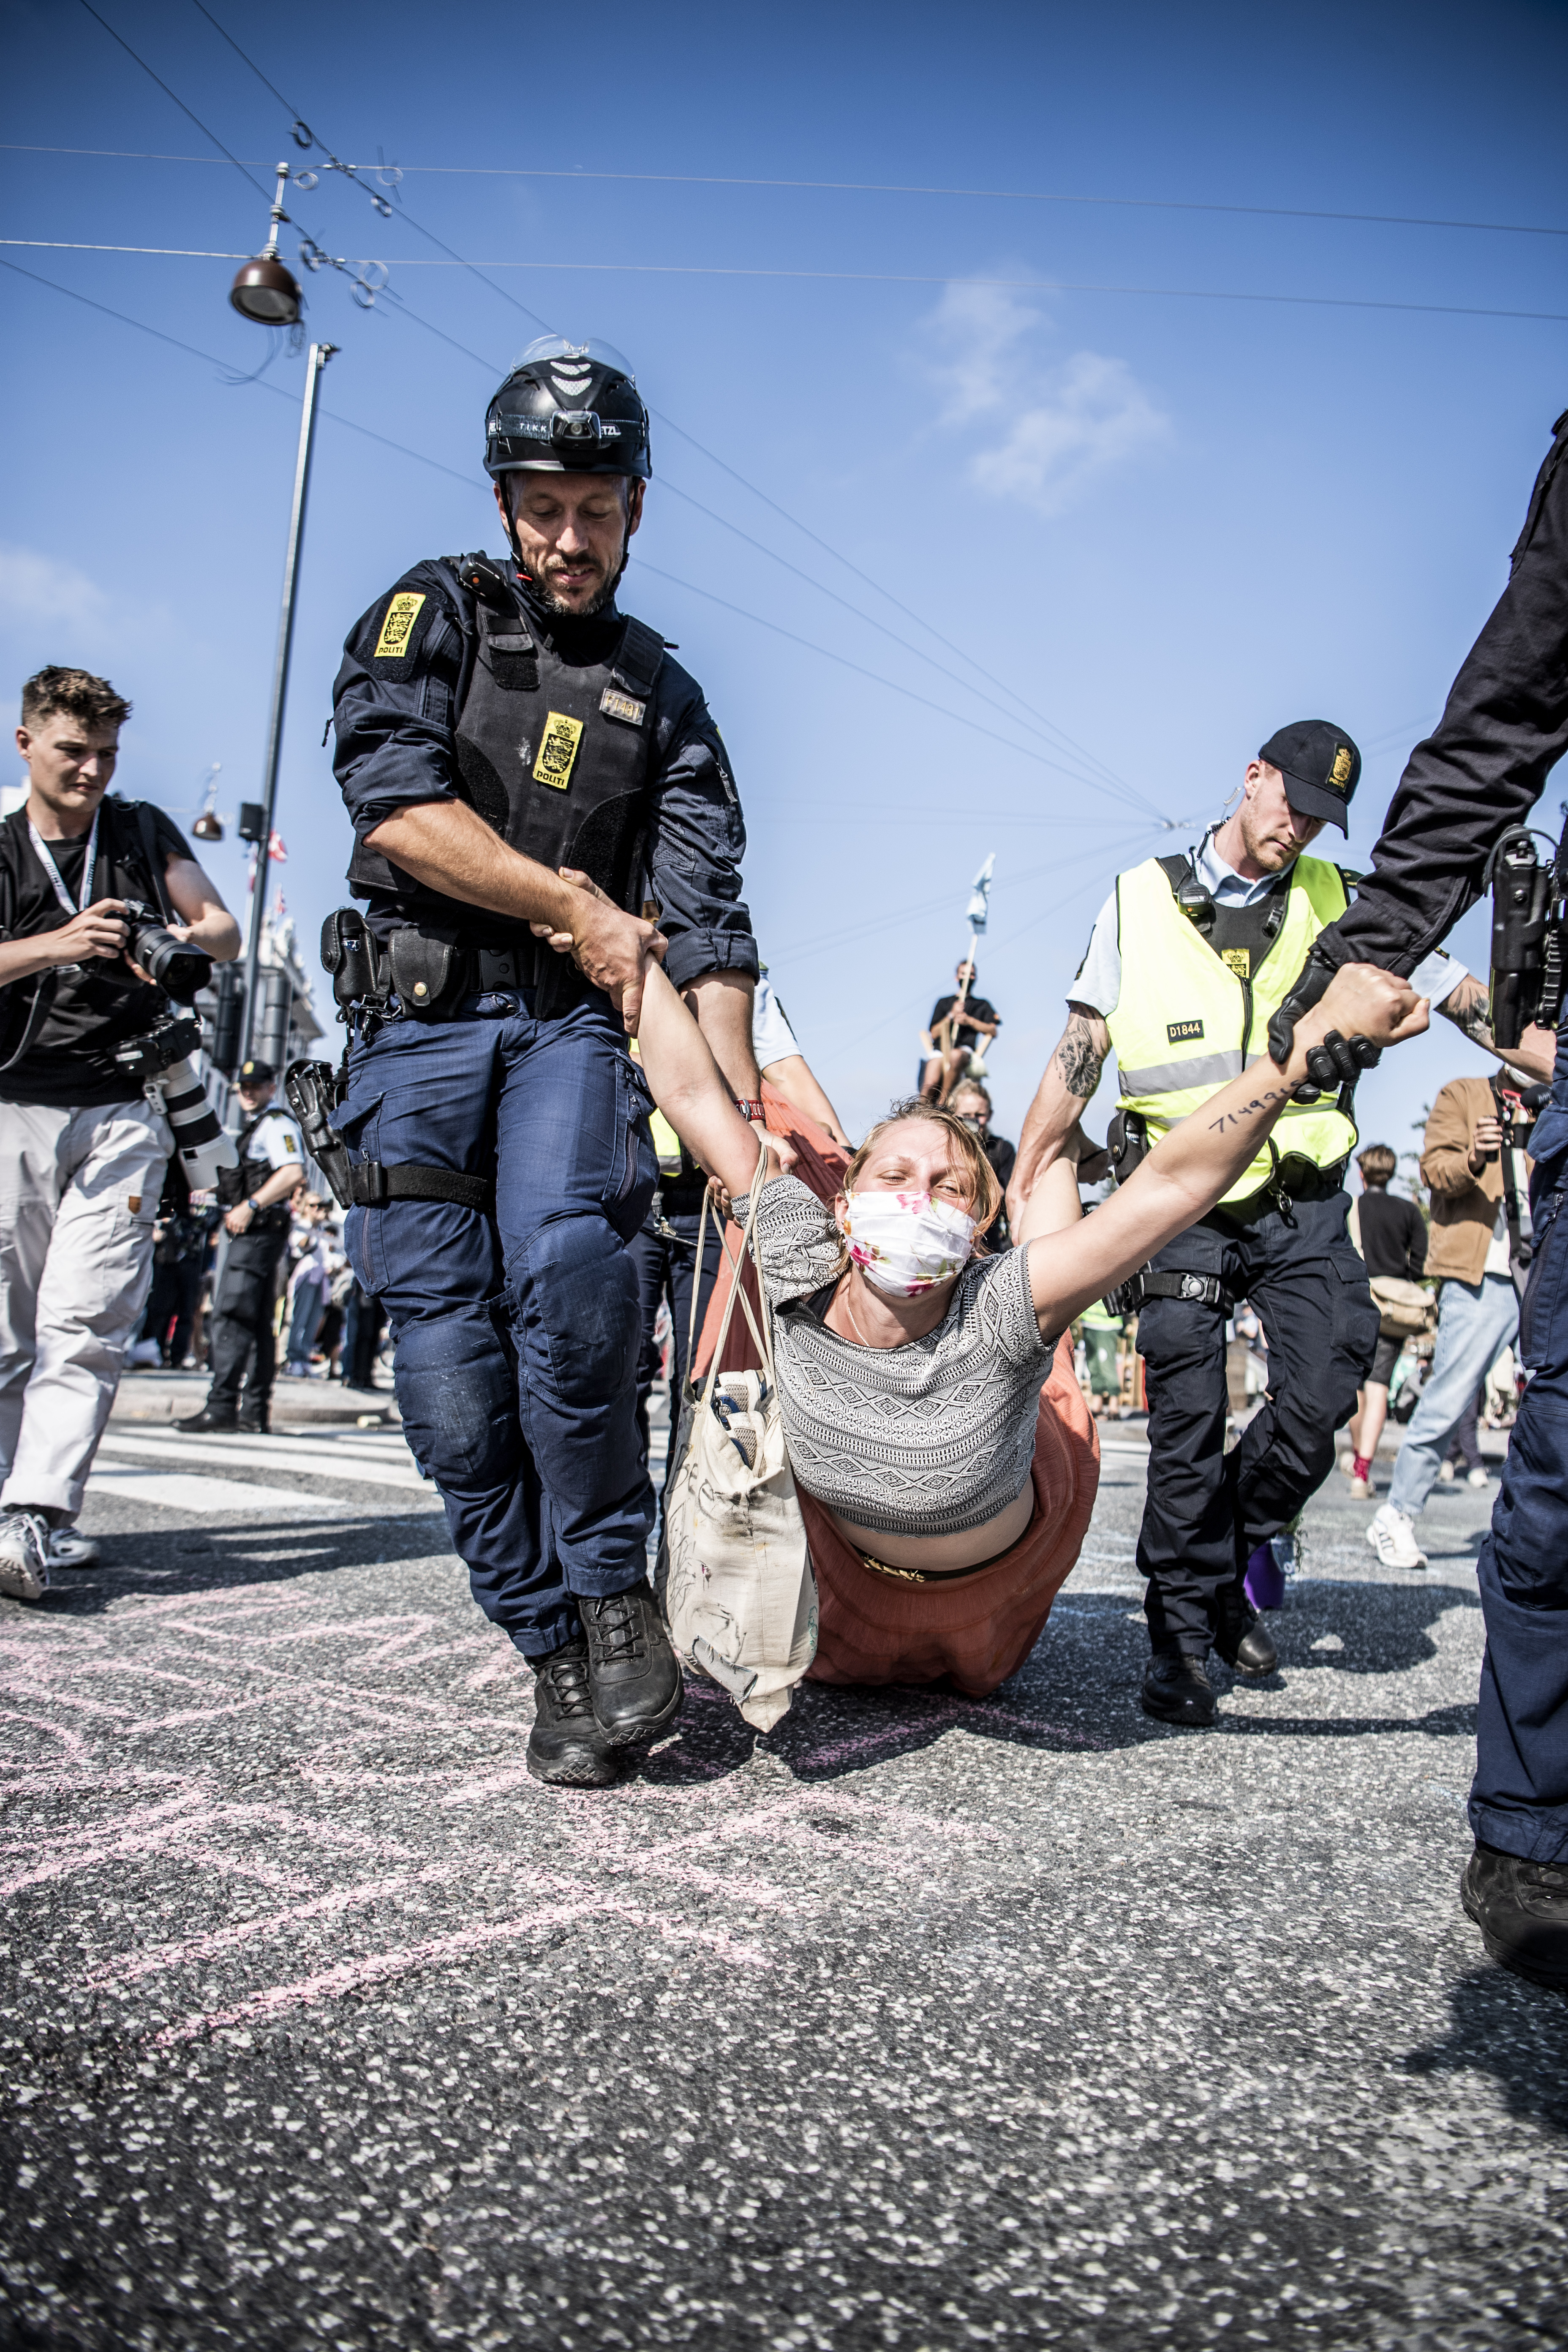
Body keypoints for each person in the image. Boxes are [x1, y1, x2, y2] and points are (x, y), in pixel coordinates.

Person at [327, 336, 761, 1790]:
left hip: (574, 1029)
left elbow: (705, 924)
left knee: (577, 1283)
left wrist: (742, 1126)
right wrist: (573, 898)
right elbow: (393, 807)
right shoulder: (427, 609)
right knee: (450, 1381)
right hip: (416, 1034)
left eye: (595, 507)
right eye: (541, 505)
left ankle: (612, 1590)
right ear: (505, 500)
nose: (566, 536)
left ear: (637, 508)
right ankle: (550, 1647)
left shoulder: (667, 696)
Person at [629, 951, 1423, 1696]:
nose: (915, 1198)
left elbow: (1175, 1183)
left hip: (993, 1603)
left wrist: (1295, 1057)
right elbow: (696, 1095)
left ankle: (1051, 1160)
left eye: (947, 1187)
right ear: (842, 1202)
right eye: (894, 1175)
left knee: (1056, 1278)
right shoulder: (801, 1254)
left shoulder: (1002, 1299)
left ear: (979, 1225)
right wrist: (622, 950)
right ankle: (1051, 1159)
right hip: (838, 1585)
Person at [1005, 721, 1483, 1726]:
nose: (1301, 825)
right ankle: (1179, 1631)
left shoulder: (1343, 901)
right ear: (1252, 777)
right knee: (1185, 1408)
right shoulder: (1141, 896)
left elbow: (1462, 995)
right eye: (1292, 800)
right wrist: (1039, 1157)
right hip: (1174, 1194)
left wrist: (1540, 1043)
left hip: (1299, 1196)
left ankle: (1220, 1557)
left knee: (1325, 1388)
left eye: (1322, 815)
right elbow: (1083, 1036)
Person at [1268, 408, 1568, 1985]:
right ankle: (1533, 1827)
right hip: (1410, 1252)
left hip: (1436, 1258)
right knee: (1543, 1438)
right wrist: (1379, 952)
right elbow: (1501, 714)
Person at [0, 667, 239, 1598]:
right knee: (8, 1325)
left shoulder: (140, 831)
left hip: (126, 1103)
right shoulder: (6, 846)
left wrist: (177, 936)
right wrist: (60, 944)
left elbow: (219, 924)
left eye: (105, 753)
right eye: (73, 751)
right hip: (14, 1099)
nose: (91, 770)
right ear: (26, 744)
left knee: (88, 1316)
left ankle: (38, 1512)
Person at [631, 956, 848, 1497]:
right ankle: (617, 1561)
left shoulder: (729, 973)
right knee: (619, 1376)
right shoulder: (604, 950)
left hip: (707, 1202)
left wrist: (847, 1164)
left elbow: (790, 1075)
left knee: (704, 1378)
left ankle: (687, 1542)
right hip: (621, 1198)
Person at [1366, 1073, 1536, 1568]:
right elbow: (1434, 1172)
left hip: (1544, 1270)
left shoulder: (1552, 1094)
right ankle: (1395, 1516)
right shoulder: (1464, 1095)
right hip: (1480, 1274)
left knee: (1553, 1402)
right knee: (1449, 1395)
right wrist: (1473, 1156)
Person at [177, 1059, 305, 1435]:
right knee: (258, 1322)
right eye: (243, 1087)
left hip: (256, 1233)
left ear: (271, 1087)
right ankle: (253, 1412)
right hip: (259, 1233)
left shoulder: (276, 1125)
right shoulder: (258, 1127)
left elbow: (293, 1172)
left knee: (231, 1315)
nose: (248, 1092)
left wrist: (250, 1206)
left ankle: (222, 1407)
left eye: (256, 1086)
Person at [1345, 1142, 1429, 1498]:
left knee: (1355, 1387)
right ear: (1391, 1173)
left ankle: (1356, 1456)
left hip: (1357, 1302)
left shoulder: (1353, 1208)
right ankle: (1361, 1473)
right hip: (1392, 1311)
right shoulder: (1408, 1211)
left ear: (1362, 1174)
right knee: (1379, 1388)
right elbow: (1423, 1260)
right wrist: (1402, 1277)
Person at [921, 959, 1000, 1102]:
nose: (967, 978)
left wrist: (969, 1021)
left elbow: (993, 1031)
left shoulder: (982, 1005)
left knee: (956, 1056)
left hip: (964, 1050)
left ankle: (942, 1103)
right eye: (964, 974)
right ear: (956, 977)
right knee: (931, 1081)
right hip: (940, 1049)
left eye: (971, 974)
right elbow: (934, 1033)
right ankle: (919, 1110)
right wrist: (951, 1016)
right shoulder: (944, 1002)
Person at [949, 1081, 1016, 1247]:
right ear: (953, 1114)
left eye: (980, 1115)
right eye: (966, 1115)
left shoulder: (1001, 1150)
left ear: (990, 1115)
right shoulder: (945, 1148)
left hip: (990, 1243)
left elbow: (1014, 1200)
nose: (974, 1121)